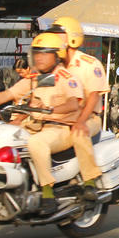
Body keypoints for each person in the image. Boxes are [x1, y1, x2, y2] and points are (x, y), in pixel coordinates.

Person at [0, 33, 83, 213]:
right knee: (0, 135)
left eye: (44, 53)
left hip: (60, 128)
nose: (39, 57)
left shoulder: (66, 77)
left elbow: (74, 103)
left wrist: (50, 109)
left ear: (56, 55)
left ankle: (48, 193)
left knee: (36, 143)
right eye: (36, 53)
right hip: (35, 126)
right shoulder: (35, 79)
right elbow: (8, 94)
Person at [49, 16, 109, 201]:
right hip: (61, 119)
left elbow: (93, 96)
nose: (54, 39)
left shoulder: (89, 64)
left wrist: (81, 121)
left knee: (79, 132)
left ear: (71, 38)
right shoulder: (54, 67)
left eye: (59, 35)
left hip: (89, 119)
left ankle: (90, 181)